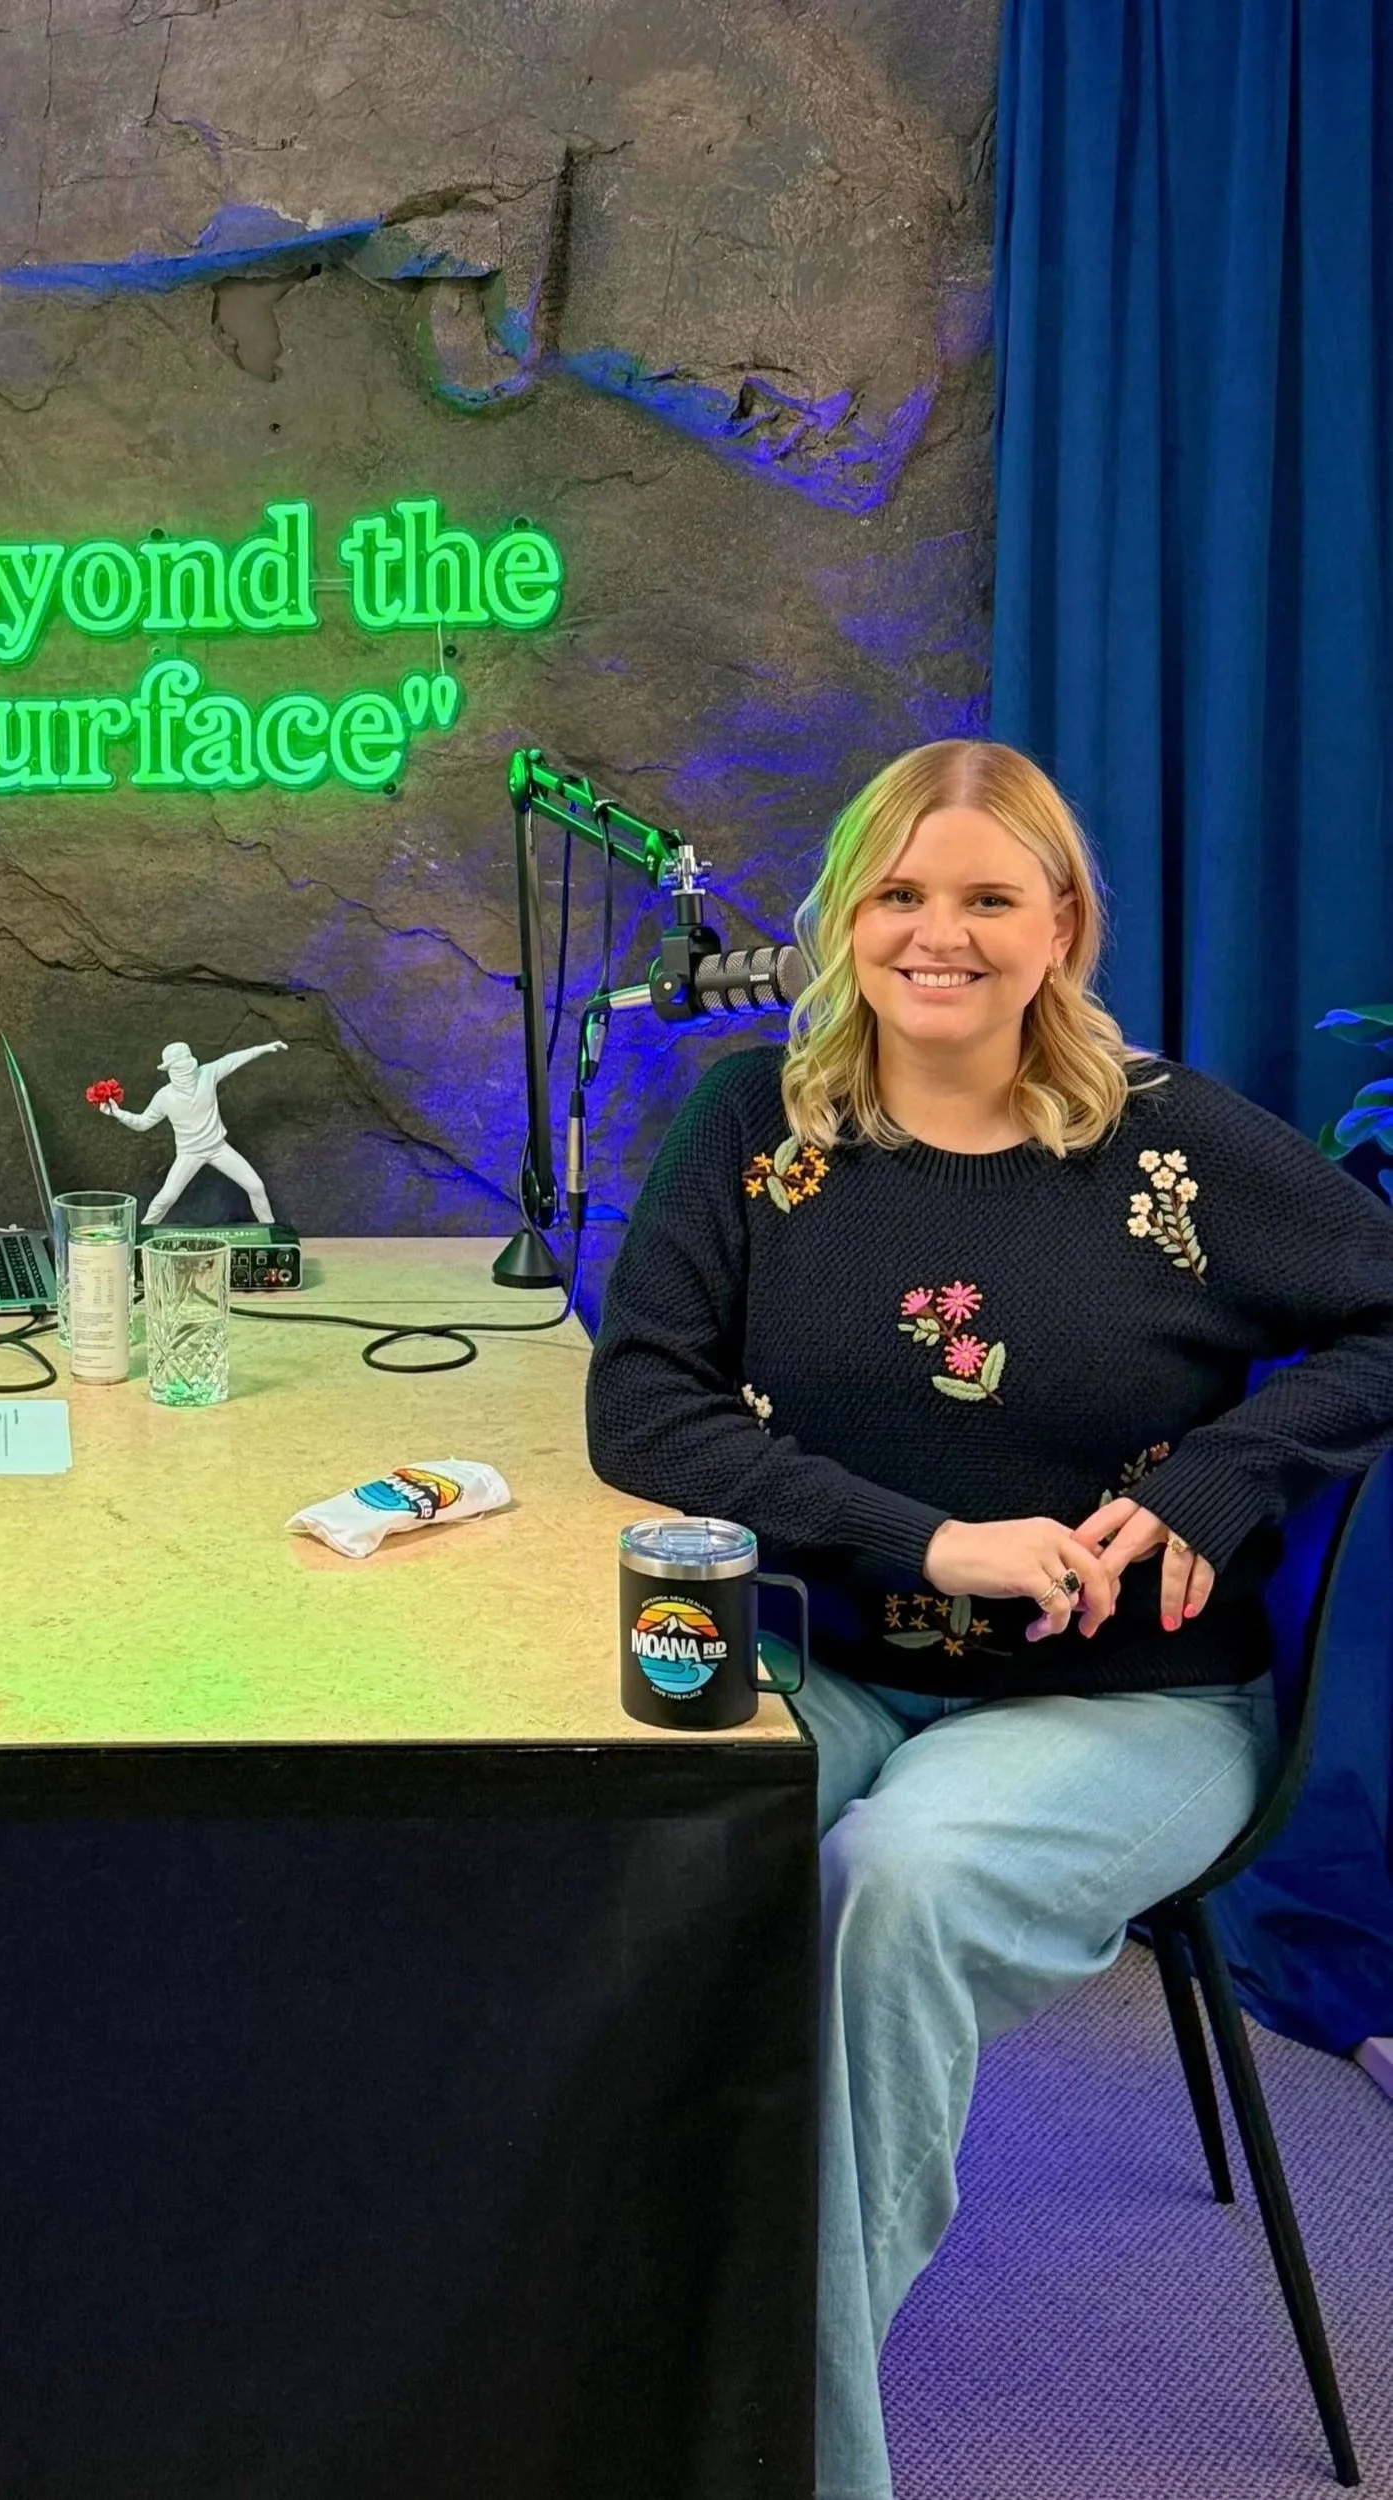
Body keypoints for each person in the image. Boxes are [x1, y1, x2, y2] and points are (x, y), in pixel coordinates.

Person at [584, 738, 1393, 2500]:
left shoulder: (1169, 1146)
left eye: (986, 897)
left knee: (899, 1884)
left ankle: (796, 2459)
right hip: (843, 1662)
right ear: (841, 918)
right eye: (898, 891)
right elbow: (645, 1410)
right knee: (629, 1856)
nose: (935, 933)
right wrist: (932, 1542)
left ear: (1062, 927)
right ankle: (608, 2346)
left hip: (1134, 1705)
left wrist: (1227, 1473)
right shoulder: (756, 1126)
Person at [99, 1036, 289, 1222]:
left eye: (186, 1065)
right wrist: (118, 1113)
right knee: (166, 1198)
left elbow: (232, 1060)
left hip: (218, 1148)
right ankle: (142, 1233)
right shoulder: (164, 1097)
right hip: (189, 1153)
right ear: (170, 1070)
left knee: (256, 1187)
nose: (185, 1071)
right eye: (179, 1067)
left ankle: (270, 1232)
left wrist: (262, 1048)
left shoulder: (207, 1074)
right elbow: (143, 1123)